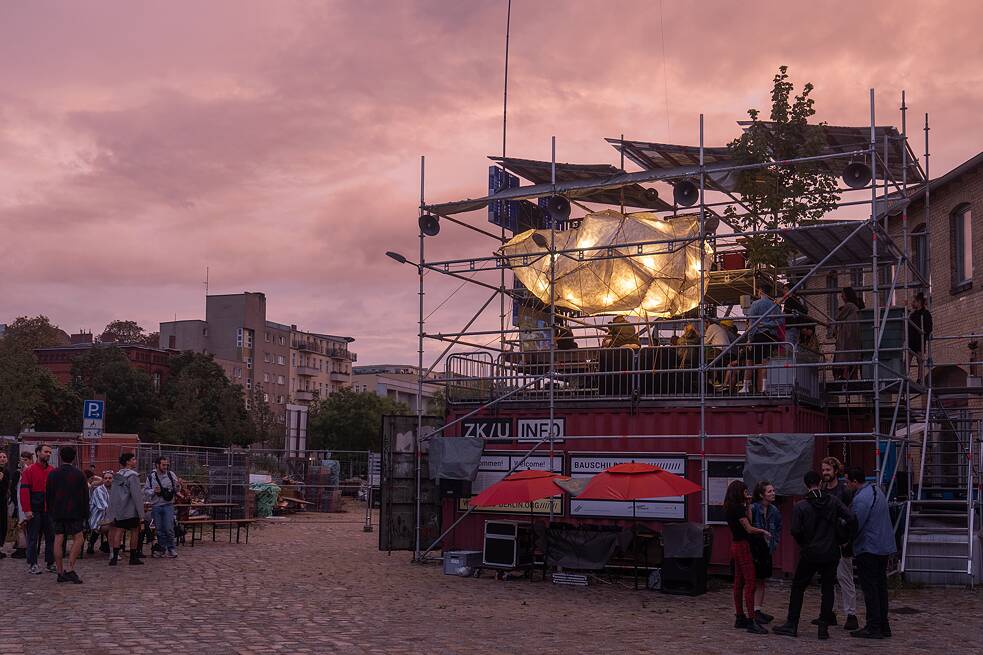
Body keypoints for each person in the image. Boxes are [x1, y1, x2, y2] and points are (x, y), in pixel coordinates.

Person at [773, 471, 856, 640]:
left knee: (798, 587)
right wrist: (845, 539)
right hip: (831, 552)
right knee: (828, 589)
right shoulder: (833, 501)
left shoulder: (801, 506)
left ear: (805, 484)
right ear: (819, 482)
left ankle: (792, 624)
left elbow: (795, 530)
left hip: (810, 552)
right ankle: (823, 628)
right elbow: (851, 517)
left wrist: (805, 543)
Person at [847, 466, 897, 639]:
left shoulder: (861, 499)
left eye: (848, 482)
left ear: (854, 482)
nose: (847, 485)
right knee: (880, 587)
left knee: (870, 589)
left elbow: (855, 524)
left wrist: (845, 539)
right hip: (883, 546)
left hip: (869, 547)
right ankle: (883, 625)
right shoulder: (876, 490)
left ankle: (873, 626)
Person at [724, 480, 771, 634]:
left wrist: (748, 505)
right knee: (750, 583)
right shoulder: (737, 508)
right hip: (743, 546)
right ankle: (751, 620)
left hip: (734, 545)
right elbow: (749, 528)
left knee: (738, 582)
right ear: (739, 492)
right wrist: (763, 532)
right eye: (744, 492)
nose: (746, 494)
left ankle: (740, 616)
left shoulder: (731, 506)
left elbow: (747, 520)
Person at [817, 456, 857, 630]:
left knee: (845, 577)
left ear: (835, 470)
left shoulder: (845, 490)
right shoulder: (822, 489)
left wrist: (847, 539)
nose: (825, 473)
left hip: (841, 540)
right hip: (826, 540)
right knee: (827, 578)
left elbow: (851, 517)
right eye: (823, 470)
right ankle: (829, 612)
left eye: (828, 470)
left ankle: (851, 614)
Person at [46, 445, 89, 584]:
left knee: (58, 539)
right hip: (75, 511)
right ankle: (70, 568)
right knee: (79, 538)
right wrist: (86, 513)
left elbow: (49, 494)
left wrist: (51, 510)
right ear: (74, 457)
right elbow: (84, 495)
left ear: (60, 456)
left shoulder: (53, 473)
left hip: (58, 510)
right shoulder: (79, 474)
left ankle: (59, 571)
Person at [19, 444, 56, 575]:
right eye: (46, 452)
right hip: (34, 508)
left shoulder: (52, 471)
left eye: (50, 452)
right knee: (33, 537)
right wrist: (27, 510)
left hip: (48, 509)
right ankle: (32, 563)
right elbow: (24, 492)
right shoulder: (29, 471)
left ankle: (50, 563)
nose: (48, 454)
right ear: (38, 453)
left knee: (51, 537)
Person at [751, 481, 781, 625]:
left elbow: (778, 528)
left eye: (773, 491)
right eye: (769, 491)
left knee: (762, 580)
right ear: (761, 494)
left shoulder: (774, 511)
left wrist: (774, 544)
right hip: (755, 550)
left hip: (766, 550)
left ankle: (758, 609)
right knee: (753, 581)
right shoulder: (753, 509)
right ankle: (752, 611)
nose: (773, 493)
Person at [108, 452, 145, 566]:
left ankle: (114, 556)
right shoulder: (133, 476)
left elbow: (113, 494)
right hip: (130, 509)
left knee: (118, 530)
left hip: (119, 509)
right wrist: (141, 513)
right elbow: (136, 495)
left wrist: (113, 510)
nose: (135, 461)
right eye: (133, 459)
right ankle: (133, 557)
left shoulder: (117, 476)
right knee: (134, 531)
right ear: (128, 462)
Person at [743, 287, 781, 392]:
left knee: (749, 361)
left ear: (760, 290)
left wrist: (749, 339)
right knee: (765, 362)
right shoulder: (775, 305)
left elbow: (752, 323)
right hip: (770, 336)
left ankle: (745, 386)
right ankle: (764, 386)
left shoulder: (755, 304)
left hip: (758, 335)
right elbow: (780, 321)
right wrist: (768, 324)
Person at [145, 456, 181, 559]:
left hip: (168, 505)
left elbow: (176, 489)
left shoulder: (171, 475)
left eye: (167, 465)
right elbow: (146, 491)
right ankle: (162, 549)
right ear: (157, 465)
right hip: (156, 505)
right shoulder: (151, 477)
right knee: (159, 529)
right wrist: (153, 491)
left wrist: (178, 485)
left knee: (169, 528)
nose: (165, 467)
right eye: (163, 465)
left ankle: (171, 548)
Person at [831, 287, 864, 381]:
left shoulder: (849, 305)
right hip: (851, 334)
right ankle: (851, 375)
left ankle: (845, 374)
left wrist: (832, 325)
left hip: (848, 334)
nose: (841, 296)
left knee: (844, 352)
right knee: (850, 354)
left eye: (843, 294)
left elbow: (839, 317)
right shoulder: (854, 307)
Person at [9, 451, 34, 559]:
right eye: (22, 460)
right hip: (19, 502)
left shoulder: (32, 471)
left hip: (29, 502)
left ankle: (26, 547)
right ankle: (22, 546)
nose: (24, 462)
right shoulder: (17, 473)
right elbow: (13, 489)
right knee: (21, 525)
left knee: (28, 526)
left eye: (26, 459)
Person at [908, 292, 933, 383]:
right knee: (908, 358)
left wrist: (924, 335)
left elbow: (929, 327)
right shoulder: (912, 314)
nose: (912, 303)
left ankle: (920, 378)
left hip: (920, 340)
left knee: (920, 360)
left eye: (914, 302)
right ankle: (906, 376)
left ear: (919, 302)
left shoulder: (925, 314)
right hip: (912, 340)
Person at [86, 473, 111, 555]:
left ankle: (109, 545)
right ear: (103, 480)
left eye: (110, 478)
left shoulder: (115, 490)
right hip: (97, 518)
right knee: (113, 526)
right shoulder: (99, 490)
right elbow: (104, 507)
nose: (108, 480)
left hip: (109, 517)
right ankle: (112, 548)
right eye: (106, 478)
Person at [0, 451, 9, 559]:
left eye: (4, 457)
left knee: (2, 524)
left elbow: (5, 489)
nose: (2, 459)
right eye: (0, 457)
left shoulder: (6, 472)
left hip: (2, 502)